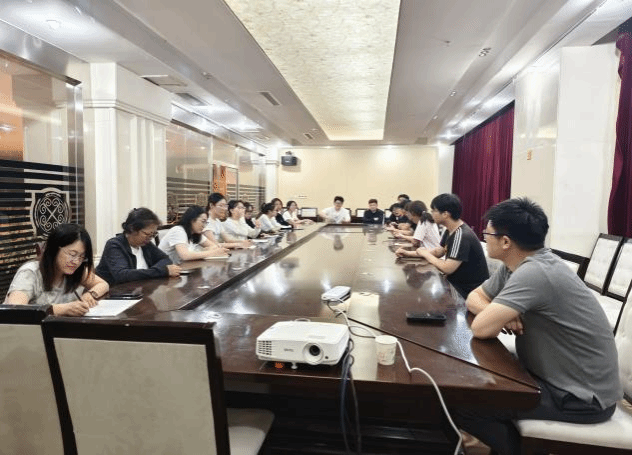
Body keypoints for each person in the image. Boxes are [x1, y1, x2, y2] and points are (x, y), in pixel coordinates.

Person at [456, 198, 621, 455]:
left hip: (581, 397)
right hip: (553, 377)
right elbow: (474, 297)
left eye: (487, 234)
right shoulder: (516, 265)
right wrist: (500, 313)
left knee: (465, 404)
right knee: (476, 391)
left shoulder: (535, 273)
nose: (484, 238)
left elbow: (481, 329)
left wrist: (496, 315)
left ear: (506, 242)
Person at [4, 223, 109, 316]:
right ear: (54, 249)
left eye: (82, 257)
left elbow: (103, 284)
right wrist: (62, 309)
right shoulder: (30, 272)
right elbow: (15, 311)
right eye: (72, 254)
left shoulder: (76, 271)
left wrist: (90, 294)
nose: (76, 262)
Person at [416, 193, 489, 298]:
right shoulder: (450, 230)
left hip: (466, 291)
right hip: (455, 285)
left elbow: (447, 268)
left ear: (445, 214)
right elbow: (438, 252)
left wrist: (426, 255)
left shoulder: (461, 235)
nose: (431, 213)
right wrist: (409, 253)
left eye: (434, 210)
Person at [96, 208, 181, 285]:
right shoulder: (114, 245)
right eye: (146, 234)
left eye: (153, 235)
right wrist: (161, 271)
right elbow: (122, 275)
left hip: (140, 290)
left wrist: (154, 271)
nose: (150, 238)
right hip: (115, 293)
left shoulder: (145, 245)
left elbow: (165, 259)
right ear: (132, 229)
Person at [158, 205, 228, 264]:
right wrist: (212, 252)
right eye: (203, 221)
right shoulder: (178, 231)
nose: (204, 226)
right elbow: (185, 256)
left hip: (185, 268)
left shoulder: (195, 234)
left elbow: (214, 246)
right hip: (167, 271)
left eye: (206, 222)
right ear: (192, 220)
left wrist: (210, 250)